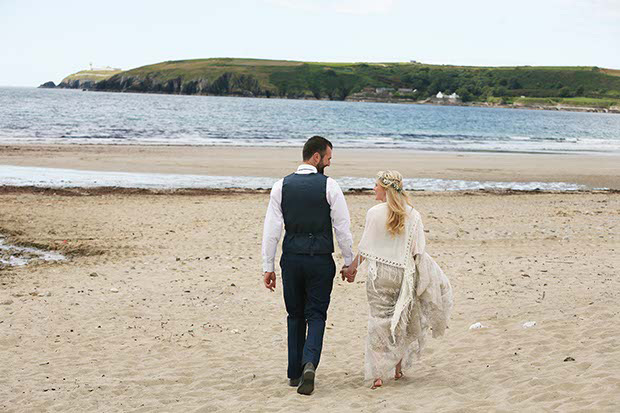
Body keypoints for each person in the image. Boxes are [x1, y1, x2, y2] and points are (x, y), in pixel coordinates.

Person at [343, 170, 453, 389]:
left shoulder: (374, 213)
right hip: (402, 274)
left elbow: (366, 247)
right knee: (400, 320)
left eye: (375, 185)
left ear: (384, 188)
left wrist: (352, 268)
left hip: (379, 276)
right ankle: (397, 369)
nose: (373, 188)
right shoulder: (413, 215)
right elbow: (417, 251)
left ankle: (376, 376)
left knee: (377, 322)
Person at [262, 136, 354, 396]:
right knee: (316, 314)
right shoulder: (330, 186)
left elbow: (271, 231)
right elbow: (342, 228)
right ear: (316, 157)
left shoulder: (281, 186)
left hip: (291, 259)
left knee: (295, 315)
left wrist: (268, 266)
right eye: (328, 159)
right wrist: (349, 263)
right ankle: (309, 362)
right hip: (320, 260)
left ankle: (294, 373)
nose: (328, 164)